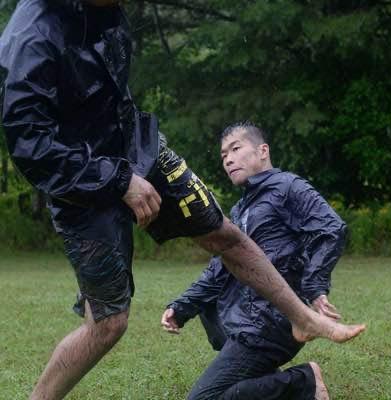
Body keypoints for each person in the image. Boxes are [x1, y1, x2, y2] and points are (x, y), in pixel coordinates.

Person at [0, 1, 364, 399]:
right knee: (108, 323)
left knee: (225, 234)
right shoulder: (29, 39)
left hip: (138, 148)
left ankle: (303, 320)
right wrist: (119, 181)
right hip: (80, 183)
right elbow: (31, 147)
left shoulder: (108, 11)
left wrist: (134, 166)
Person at [162, 121, 350, 400]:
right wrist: (182, 307)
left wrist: (314, 287)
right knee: (211, 304)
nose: (228, 159)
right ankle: (269, 374)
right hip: (248, 319)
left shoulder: (288, 186)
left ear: (263, 151)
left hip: (273, 319)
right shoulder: (241, 209)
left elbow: (331, 229)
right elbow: (220, 268)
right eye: (224, 155)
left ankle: (303, 382)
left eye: (235, 149)